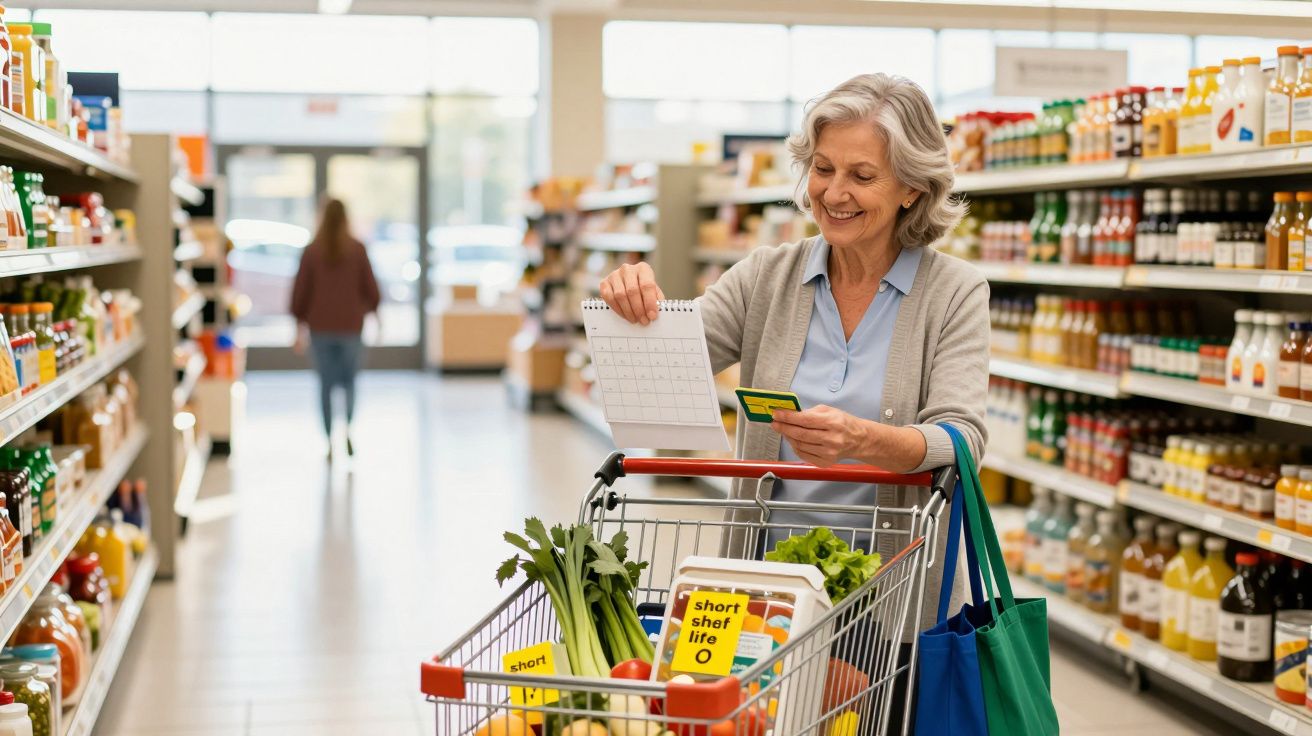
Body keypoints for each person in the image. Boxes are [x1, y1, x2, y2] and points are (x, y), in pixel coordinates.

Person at [599, 73, 989, 725]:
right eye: (823, 167)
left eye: (862, 175)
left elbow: (963, 440)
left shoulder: (954, 292)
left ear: (912, 187)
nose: (834, 193)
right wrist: (631, 301)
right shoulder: (767, 277)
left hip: (890, 594)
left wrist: (863, 440)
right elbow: (664, 365)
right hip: (762, 595)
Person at [290, 198, 381, 458]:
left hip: (320, 328)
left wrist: (298, 326)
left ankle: (330, 440)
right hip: (351, 327)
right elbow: (371, 289)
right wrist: (376, 315)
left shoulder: (311, 251)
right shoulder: (358, 249)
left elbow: (300, 294)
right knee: (350, 382)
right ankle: (348, 430)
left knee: (326, 384)